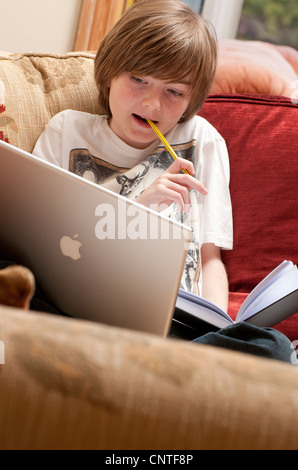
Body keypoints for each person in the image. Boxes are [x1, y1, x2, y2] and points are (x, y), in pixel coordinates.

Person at [31, 0, 296, 363]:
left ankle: (144, 368)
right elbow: (43, 248)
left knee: (273, 347)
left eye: (174, 92)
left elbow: (209, 260)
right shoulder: (67, 131)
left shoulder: (202, 140)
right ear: (109, 73)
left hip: (175, 328)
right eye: (138, 80)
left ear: (190, 101)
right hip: (83, 311)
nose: (152, 105)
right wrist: (138, 209)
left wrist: (219, 328)